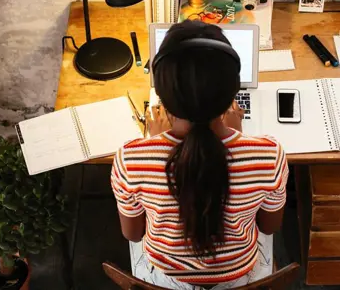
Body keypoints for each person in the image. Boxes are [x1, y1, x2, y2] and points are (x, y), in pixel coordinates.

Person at [111, 21, 289, 289]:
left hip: (165, 281)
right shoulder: (269, 154)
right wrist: (237, 135)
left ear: (161, 94)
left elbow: (133, 234)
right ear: (233, 93)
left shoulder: (130, 158)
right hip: (241, 278)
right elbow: (268, 227)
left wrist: (152, 142)